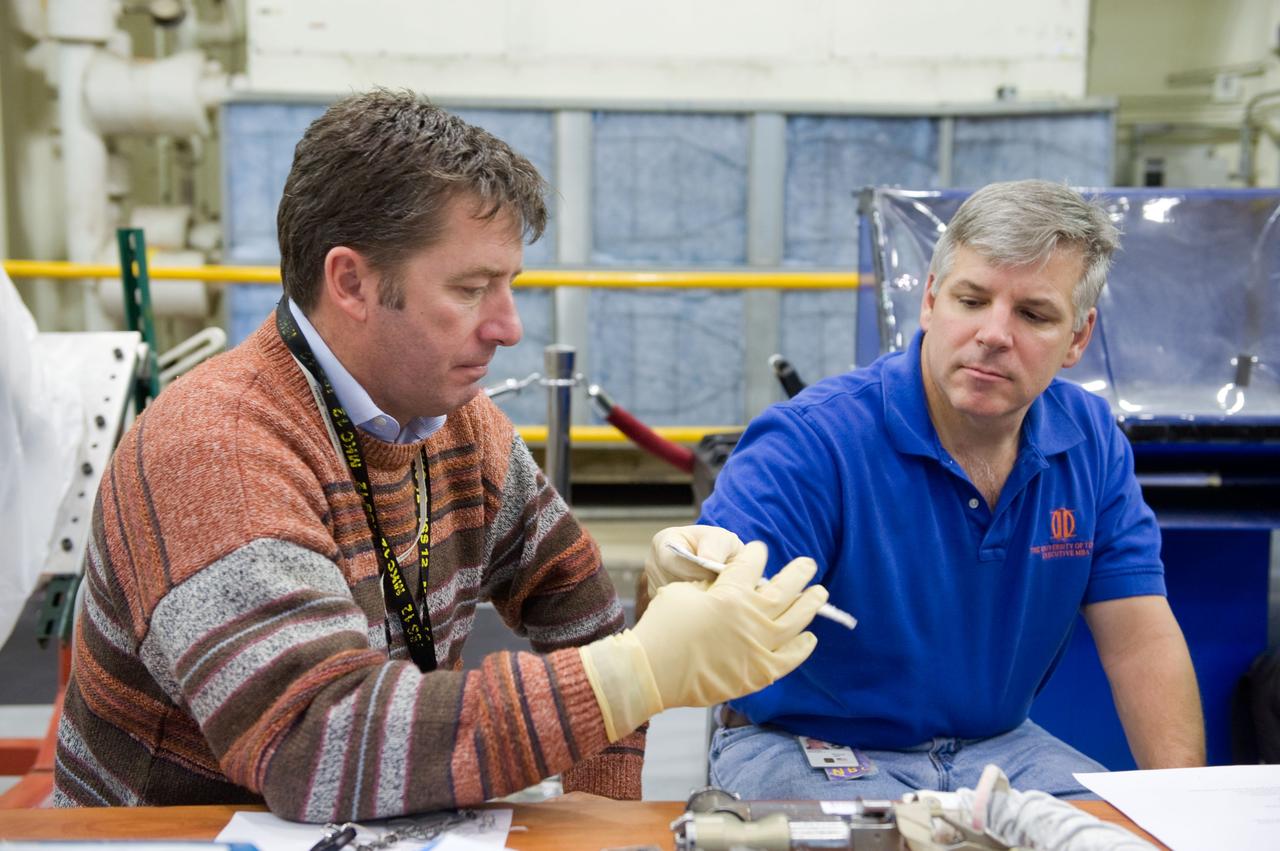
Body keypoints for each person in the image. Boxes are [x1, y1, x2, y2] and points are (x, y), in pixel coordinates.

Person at [53, 89, 828, 820]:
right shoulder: (214, 450)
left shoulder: (454, 423)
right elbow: (314, 744)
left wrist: (599, 810)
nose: (509, 326)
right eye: (471, 287)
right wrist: (636, 673)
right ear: (351, 281)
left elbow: (578, 602)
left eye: (510, 284)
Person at [647, 180, 1206, 799]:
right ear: (932, 301)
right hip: (812, 746)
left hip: (1001, 748)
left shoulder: (1090, 441)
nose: (995, 333)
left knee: (1117, 841)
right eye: (972, 300)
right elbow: (708, 606)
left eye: (1033, 314)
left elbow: (1140, 638)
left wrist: (1184, 807)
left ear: (1078, 337)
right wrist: (689, 577)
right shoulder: (813, 442)